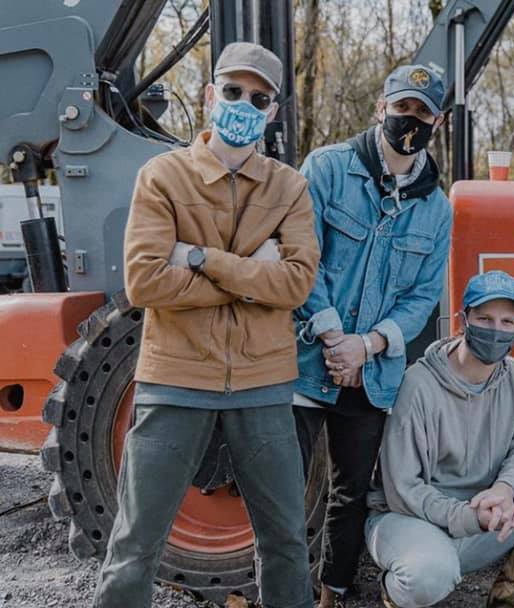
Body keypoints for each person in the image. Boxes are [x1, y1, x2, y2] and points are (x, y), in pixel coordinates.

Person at [95, 42, 320, 608]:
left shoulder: (289, 187)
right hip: (175, 380)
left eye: (259, 97)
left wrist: (199, 257)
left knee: (287, 541)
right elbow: (145, 283)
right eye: (233, 91)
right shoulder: (163, 177)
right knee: (135, 542)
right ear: (208, 94)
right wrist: (252, 272)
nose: (244, 103)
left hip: (263, 386)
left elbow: (295, 285)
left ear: (272, 112)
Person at [294, 64, 452, 607]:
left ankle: (332, 590)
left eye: (423, 113)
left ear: (438, 121)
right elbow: (301, 258)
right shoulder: (327, 169)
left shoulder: (438, 208)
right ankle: (276, 590)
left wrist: (370, 345)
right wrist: (334, 334)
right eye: (402, 108)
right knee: (282, 488)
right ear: (380, 109)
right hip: (305, 359)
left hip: (373, 371)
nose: (410, 120)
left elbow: (422, 298)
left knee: (351, 491)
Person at [365, 271, 514, 608]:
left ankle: (507, 599)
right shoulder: (418, 384)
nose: (495, 330)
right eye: (484, 318)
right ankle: (396, 594)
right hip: (411, 520)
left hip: (482, 517)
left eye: (506, 321)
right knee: (429, 574)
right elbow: (403, 490)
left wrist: (505, 491)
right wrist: (471, 517)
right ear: (464, 319)